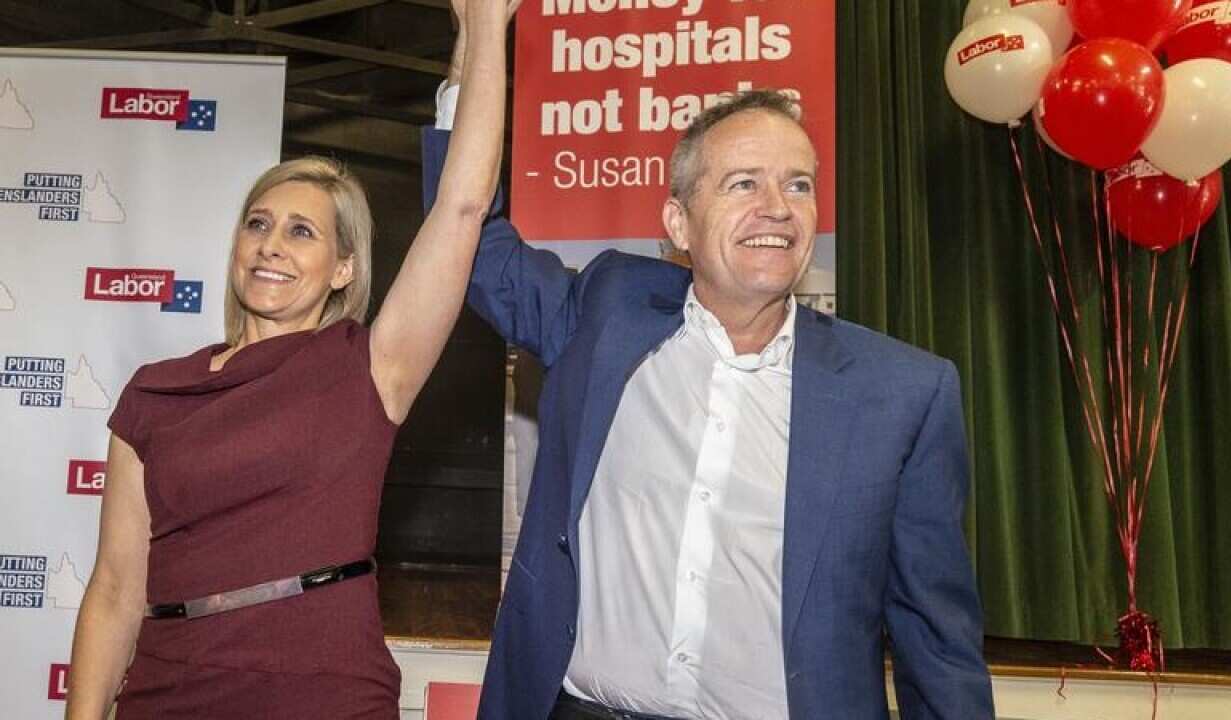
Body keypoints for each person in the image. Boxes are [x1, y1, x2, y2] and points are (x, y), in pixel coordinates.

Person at [424, 77, 995, 717]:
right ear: (679, 223)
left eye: (798, 184)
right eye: (743, 183)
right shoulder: (608, 313)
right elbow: (473, 249)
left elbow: (937, 643)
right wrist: (475, 41)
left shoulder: (902, 393)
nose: (777, 206)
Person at [64, 2, 515, 717]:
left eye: (302, 232)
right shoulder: (155, 393)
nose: (272, 244)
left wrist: (485, 27)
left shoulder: (367, 368)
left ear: (343, 267)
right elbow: (116, 588)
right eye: (259, 224)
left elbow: (460, 207)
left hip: (320, 686)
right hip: (168, 688)